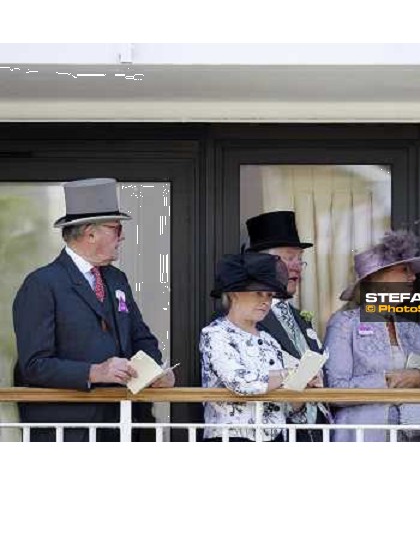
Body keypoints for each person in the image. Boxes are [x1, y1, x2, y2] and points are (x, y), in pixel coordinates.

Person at [13, 178, 174, 442]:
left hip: (123, 426)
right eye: (116, 228)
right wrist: (95, 372)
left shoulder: (116, 279)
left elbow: (141, 337)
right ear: (90, 233)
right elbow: (34, 365)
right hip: (69, 432)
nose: (121, 236)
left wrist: (154, 371)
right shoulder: (42, 284)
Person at [324, 230, 420, 442]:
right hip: (361, 437)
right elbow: (334, 390)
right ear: (377, 278)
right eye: (404, 270)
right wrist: (388, 380)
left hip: (411, 439)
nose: (412, 277)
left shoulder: (411, 330)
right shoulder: (344, 324)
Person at [200, 252, 314, 442]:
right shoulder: (215, 334)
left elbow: (288, 407)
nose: (266, 301)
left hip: (276, 440)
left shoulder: (270, 340)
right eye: (258, 293)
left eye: (269, 295)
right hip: (232, 440)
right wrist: (289, 374)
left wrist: (304, 382)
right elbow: (241, 383)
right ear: (234, 293)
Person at [245, 210, 330, 441]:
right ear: (261, 262)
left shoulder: (299, 318)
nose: (297, 267)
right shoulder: (241, 318)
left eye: (299, 259)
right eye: (288, 258)